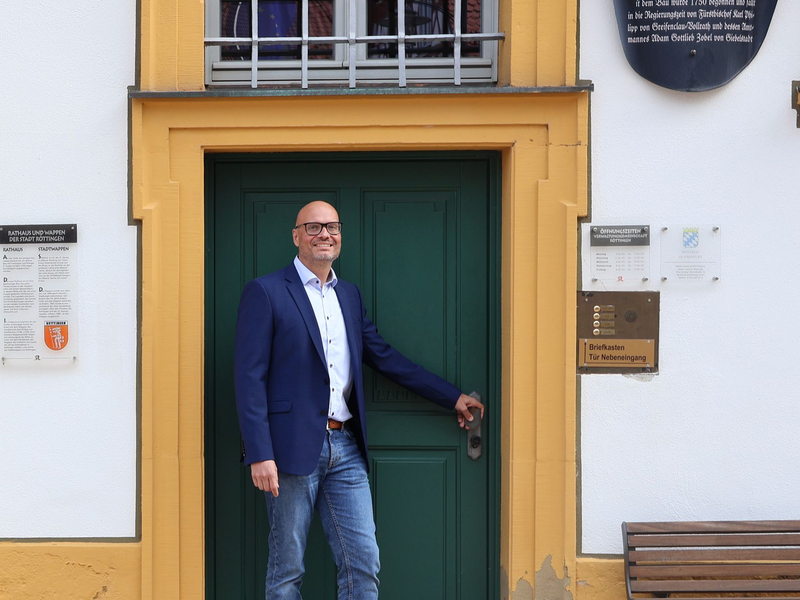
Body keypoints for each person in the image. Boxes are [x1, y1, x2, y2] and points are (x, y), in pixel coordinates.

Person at [234, 200, 484, 600]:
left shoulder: (348, 295)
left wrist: (450, 396)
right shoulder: (265, 292)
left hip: (346, 448)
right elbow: (249, 379)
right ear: (296, 236)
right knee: (287, 570)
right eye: (313, 227)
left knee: (363, 562)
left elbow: (384, 357)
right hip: (289, 450)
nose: (324, 235)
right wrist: (260, 453)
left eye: (332, 227)